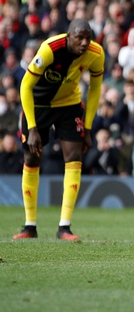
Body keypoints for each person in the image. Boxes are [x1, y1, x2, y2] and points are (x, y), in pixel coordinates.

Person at [14, 19, 105, 241]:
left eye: (88, 37)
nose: (85, 43)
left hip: (68, 105)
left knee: (74, 156)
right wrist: (33, 128)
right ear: (68, 36)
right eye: (79, 37)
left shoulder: (96, 53)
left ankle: (64, 227)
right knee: (32, 157)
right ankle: (30, 225)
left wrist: (89, 128)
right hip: (38, 105)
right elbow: (25, 85)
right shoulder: (49, 49)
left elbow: (95, 89)